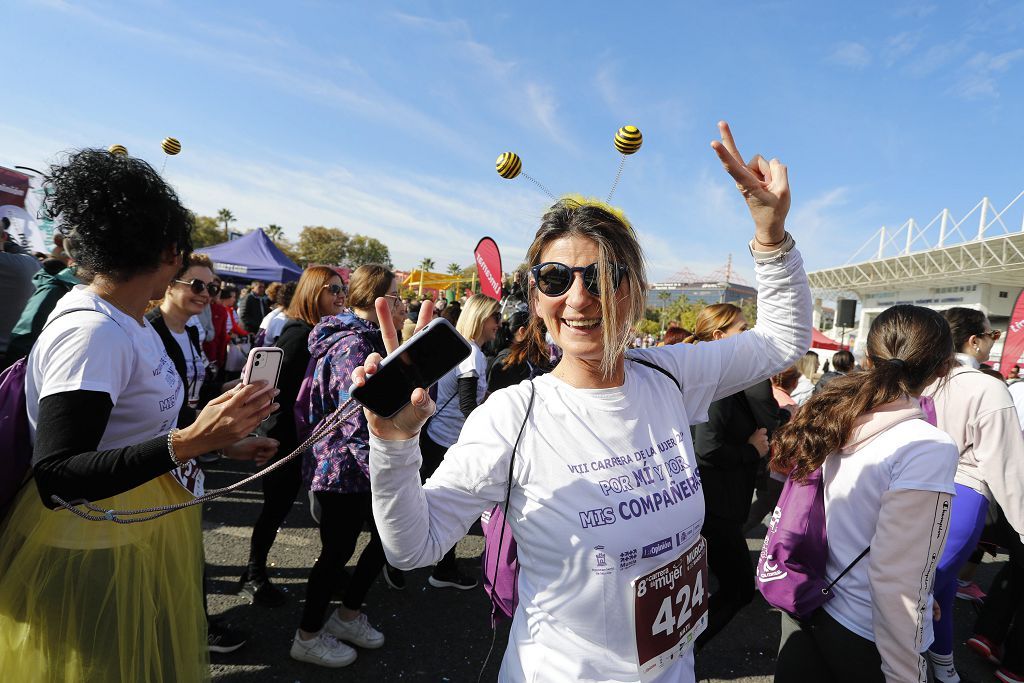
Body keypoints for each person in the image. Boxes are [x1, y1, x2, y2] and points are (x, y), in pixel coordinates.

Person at [357, 122, 811, 682]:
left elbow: (782, 340)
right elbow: (413, 547)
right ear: (535, 295)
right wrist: (395, 445)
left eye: (601, 276)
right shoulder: (513, 416)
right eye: (555, 278)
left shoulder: (666, 374)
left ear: (634, 291)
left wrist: (771, 236)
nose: (578, 297)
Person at [0, 149, 279, 681]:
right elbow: (58, 477)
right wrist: (190, 443)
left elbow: (132, 425)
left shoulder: (129, 318)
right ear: (170, 252)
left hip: (132, 528)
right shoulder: (94, 332)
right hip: (91, 544)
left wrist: (217, 439)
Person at [772, 304, 958, 683]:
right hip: (865, 629)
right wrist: (905, 674)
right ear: (943, 366)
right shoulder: (927, 446)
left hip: (810, 599)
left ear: (869, 358)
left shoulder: (837, 415)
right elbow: (897, 577)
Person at [289, 264, 406, 668]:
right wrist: (389, 476)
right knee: (337, 553)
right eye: (397, 296)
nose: (402, 303)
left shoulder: (366, 338)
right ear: (379, 299)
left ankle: (348, 615)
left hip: (354, 466)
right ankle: (307, 635)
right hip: (342, 469)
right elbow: (355, 419)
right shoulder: (352, 345)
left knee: (384, 542)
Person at [923, 307, 1024, 683]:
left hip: (913, 489)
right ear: (974, 340)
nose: (992, 343)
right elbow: (1009, 468)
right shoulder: (987, 386)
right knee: (922, 595)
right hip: (963, 492)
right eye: (991, 335)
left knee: (937, 590)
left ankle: (944, 666)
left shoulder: (924, 377)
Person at [239, 266, 346, 607]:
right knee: (276, 508)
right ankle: (254, 572)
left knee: (313, 508)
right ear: (313, 292)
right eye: (333, 289)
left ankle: (332, 570)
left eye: (342, 289)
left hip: (309, 441)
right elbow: (268, 392)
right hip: (283, 440)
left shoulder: (321, 333)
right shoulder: (298, 335)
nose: (340, 295)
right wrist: (267, 436)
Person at [684, 303, 788, 649]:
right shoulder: (716, 383)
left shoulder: (723, 376)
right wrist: (752, 451)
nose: (749, 335)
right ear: (719, 337)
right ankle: (681, 653)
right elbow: (707, 448)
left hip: (714, 502)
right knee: (740, 589)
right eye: (742, 330)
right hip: (714, 505)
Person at [419, 293, 500, 589]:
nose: (498, 325)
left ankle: (432, 564)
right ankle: (442, 569)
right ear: (481, 318)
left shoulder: (458, 347)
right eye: (495, 318)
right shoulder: (473, 353)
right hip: (448, 441)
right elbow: (468, 405)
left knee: (430, 503)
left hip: (435, 434)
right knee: (451, 509)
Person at [0, 216, 42, 362]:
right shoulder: (25, 266)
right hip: (9, 360)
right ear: (4, 236)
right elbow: (32, 260)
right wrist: (9, 243)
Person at [487, 310, 551, 393]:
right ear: (523, 332)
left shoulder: (524, 358)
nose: (542, 337)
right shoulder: (507, 360)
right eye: (538, 331)